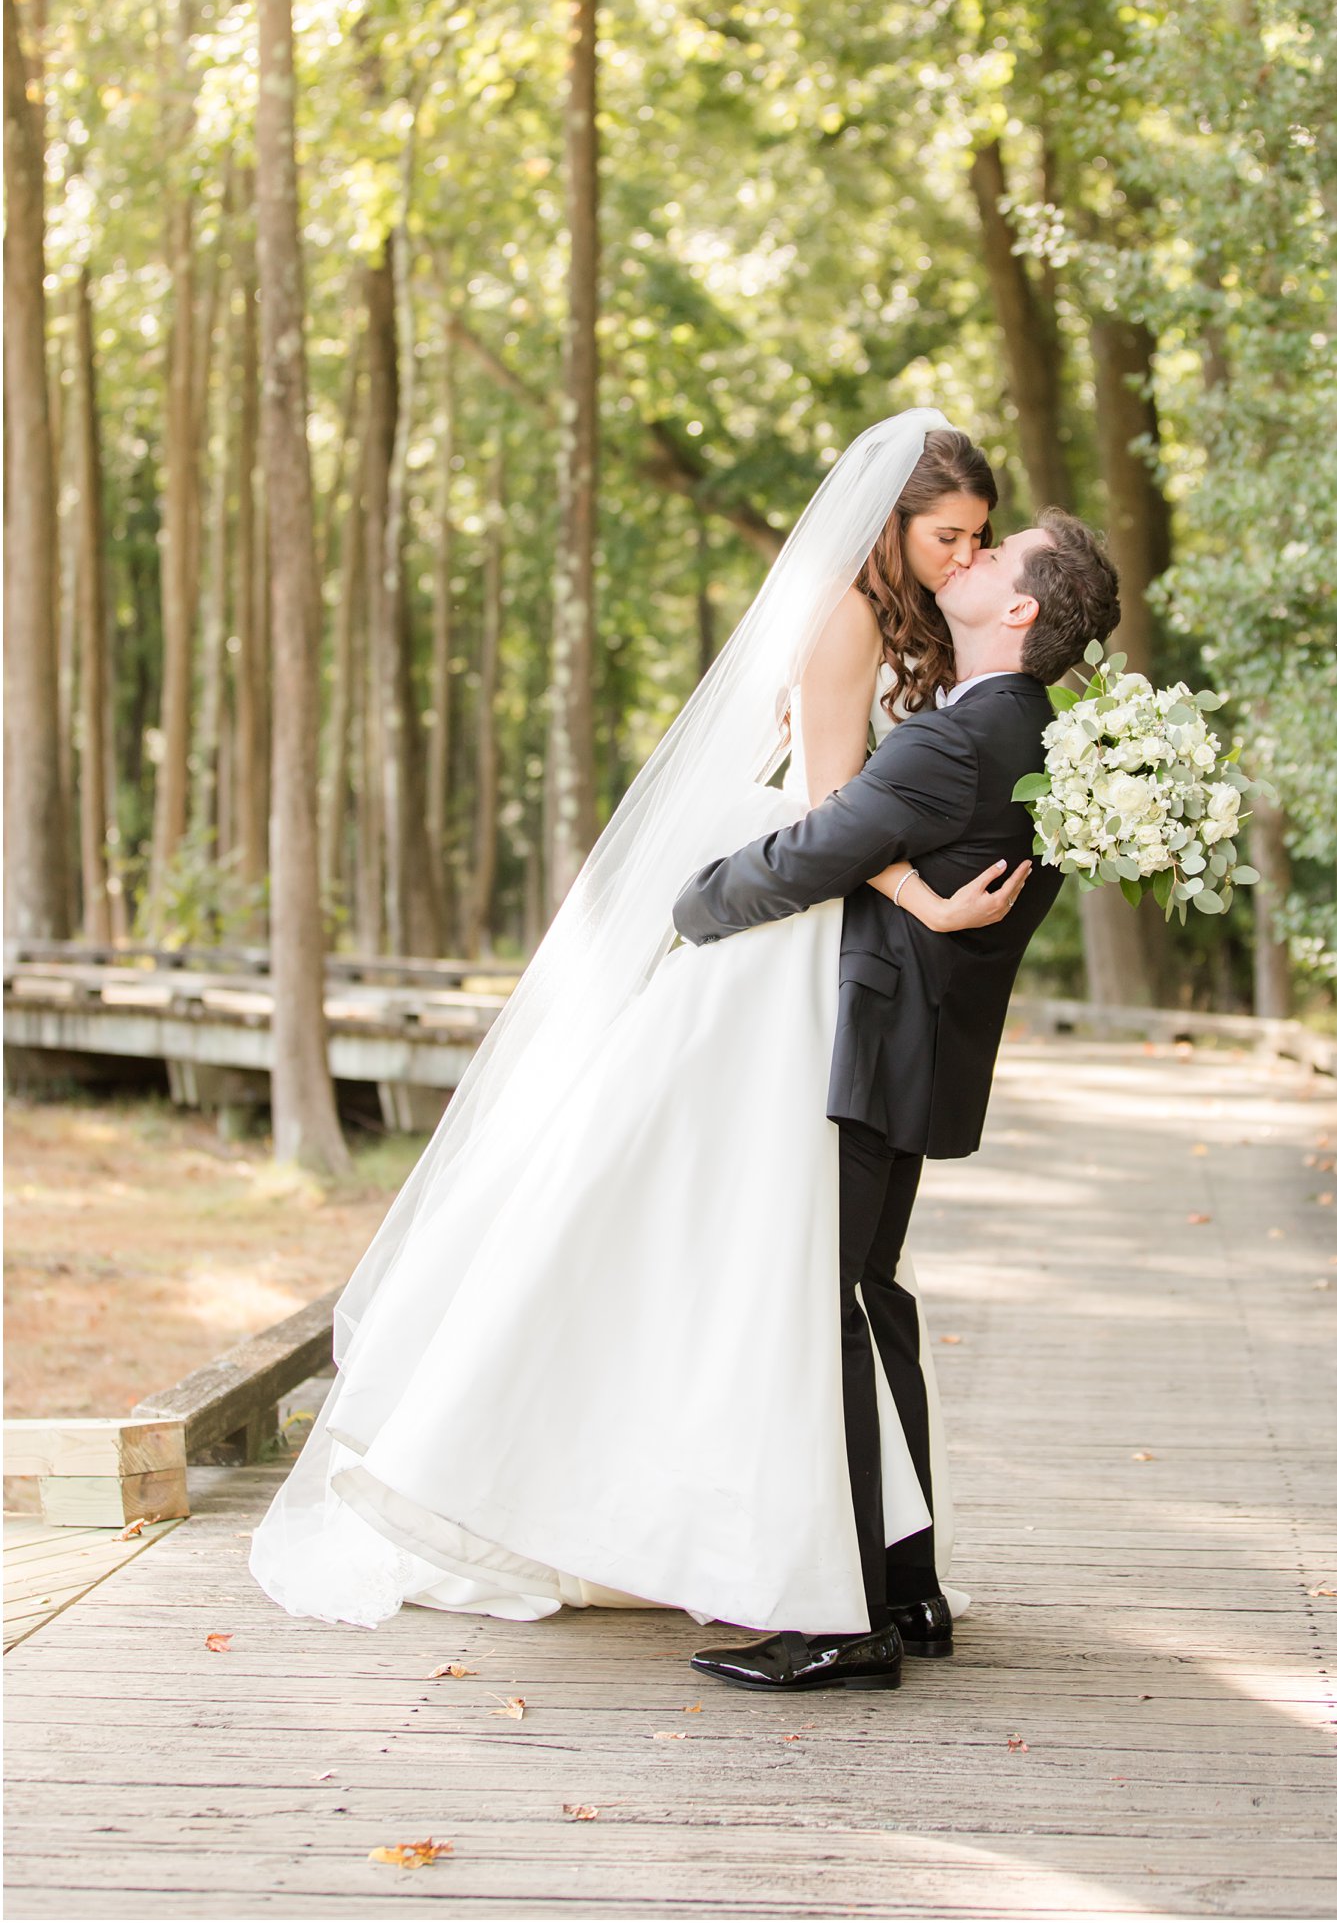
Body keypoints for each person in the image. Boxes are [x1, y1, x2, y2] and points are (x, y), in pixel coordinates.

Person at [249, 409, 1040, 1637]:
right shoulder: (841, 613)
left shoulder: (916, 627)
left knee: (786, 1258)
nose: (961, 555)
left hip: (826, 943)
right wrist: (920, 898)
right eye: (947, 534)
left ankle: (817, 1544)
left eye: (979, 538)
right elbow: (833, 814)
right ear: (890, 524)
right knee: (741, 1236)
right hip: (793, 931)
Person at [675, 508, 1122, 1693]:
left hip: (865, 1047)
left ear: (1019, 610)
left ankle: (845, 1617)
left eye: (995, 553)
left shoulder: (959, 743)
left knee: (825, 1313)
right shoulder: (1038, 737)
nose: (966, 560)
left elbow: (813, 851)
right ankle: (910, 1587)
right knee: (870, 1300)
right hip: (922, 1046)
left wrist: (688, 902)